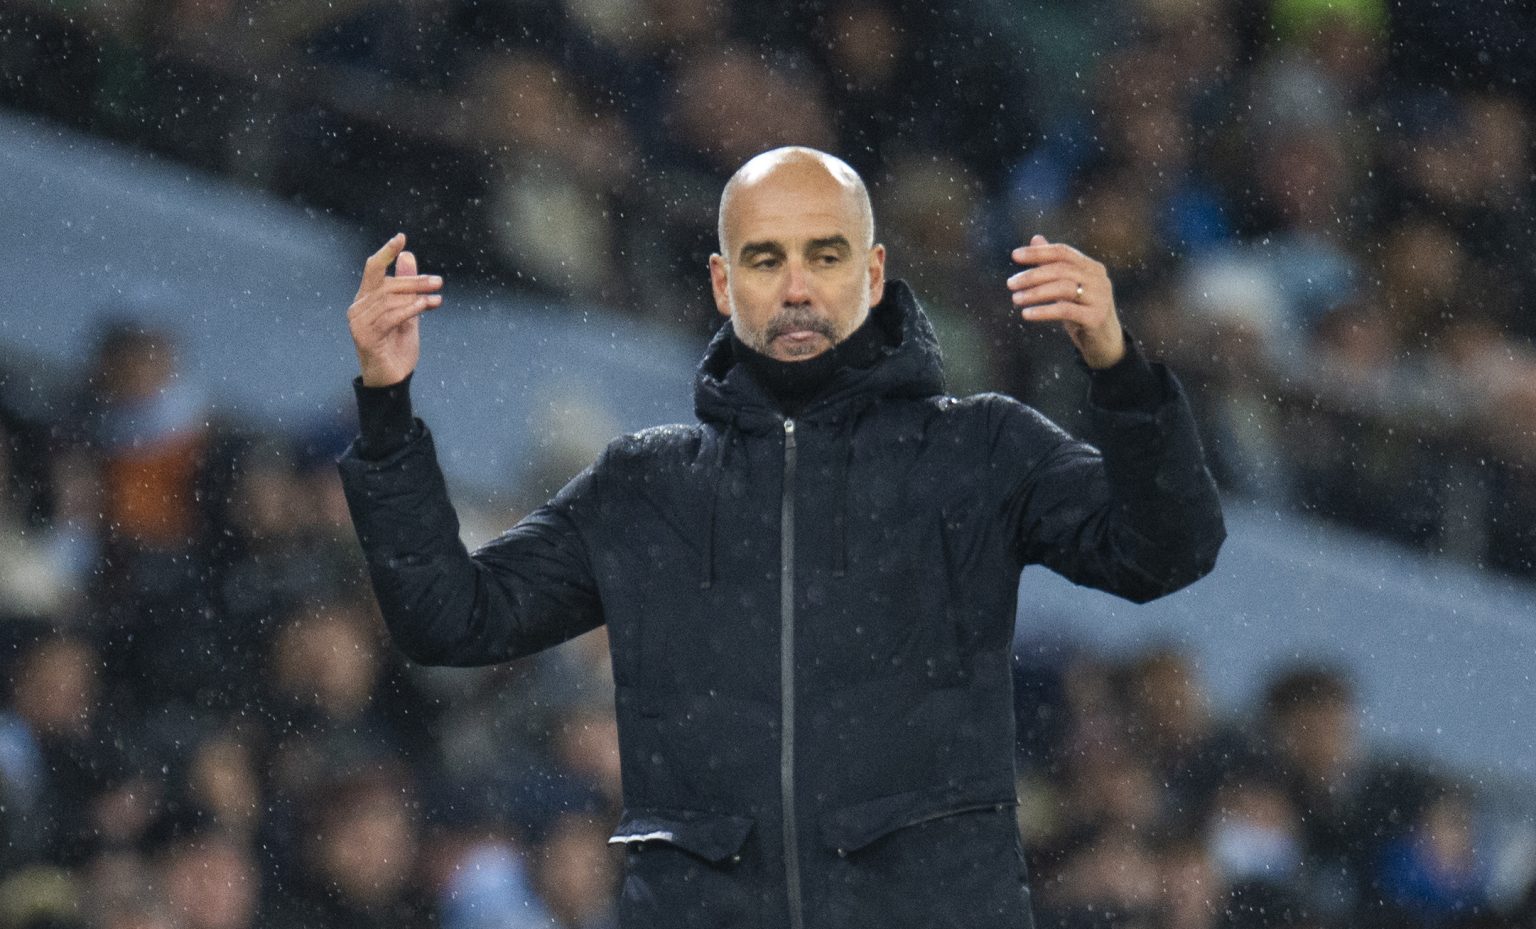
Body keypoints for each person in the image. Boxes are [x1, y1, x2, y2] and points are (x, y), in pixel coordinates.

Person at [337, 146, 1225, 929]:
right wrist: (384, 407)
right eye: (765, 259)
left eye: (824, 256)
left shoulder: (982, 449)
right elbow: (450, 619)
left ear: (873, 273)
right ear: (723, 283)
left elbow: (1168, 550)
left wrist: (1120, 370)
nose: (797, 288)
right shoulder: (644, 486)